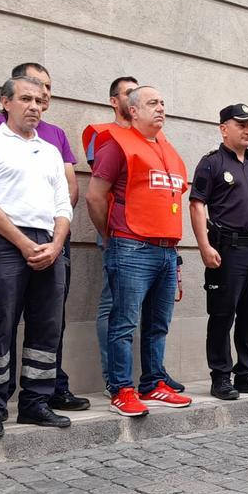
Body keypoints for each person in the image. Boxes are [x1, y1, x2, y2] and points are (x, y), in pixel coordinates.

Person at [0, 62, 88, 411]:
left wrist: (56, 244)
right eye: (26, 99)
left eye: (40, 101)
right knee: (0, 325)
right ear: (5, 102)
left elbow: (63, 203)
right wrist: (24, 244)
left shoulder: (51, 150)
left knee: (46, 327)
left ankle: (36, 403)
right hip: (6, 243)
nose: (35, 106)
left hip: (50, 243)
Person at [86, 85, 193, 413]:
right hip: (131, 246)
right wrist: (114, 234)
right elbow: (94, 196)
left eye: (162, 102)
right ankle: (121, 388)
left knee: (158, 322)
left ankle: (153, 383)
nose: (161, 108)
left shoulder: (166, 147)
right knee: (124, 322)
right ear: (132, 110)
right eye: (152, 103)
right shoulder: (116, 145)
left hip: (166, 248)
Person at [190, 104, 248, 399]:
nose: (247, 130)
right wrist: (204, 245)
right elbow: (197, 204)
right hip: (228, 250)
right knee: (222, 315)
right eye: (240, 124)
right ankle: (220, 376)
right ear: (223, 128)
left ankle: (246, 373)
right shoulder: (211, 163)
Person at [82, 75, 138, 379]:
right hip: (118, 230)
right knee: (112, 303)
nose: (133, 99)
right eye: (128, 94)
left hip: (147, 234)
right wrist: (107, 234)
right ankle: (113, 377)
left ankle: (147, 375)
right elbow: (99, 189)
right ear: (114, 101)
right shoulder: (103, 136)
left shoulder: (150, 137)